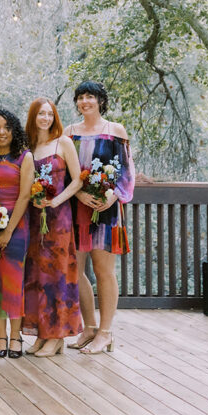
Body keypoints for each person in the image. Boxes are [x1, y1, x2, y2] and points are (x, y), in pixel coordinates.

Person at [64, 81, 134, 355]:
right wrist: (79, 196)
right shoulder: (69, 133)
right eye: (80, 97)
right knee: (76, 270)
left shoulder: (115, 131)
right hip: (76, 208)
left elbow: (126, 171)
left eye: (90, 96)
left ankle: (105, 333)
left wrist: (112, 197)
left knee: (104, 272)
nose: (85, 102)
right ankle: (89, 328)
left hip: (106, 211)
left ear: (101, 101)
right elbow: (66, 174)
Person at [22, 98, 84, 357]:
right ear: (33, 117)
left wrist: (56, 200)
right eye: (41, 114)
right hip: (35, 218)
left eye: (49, 114)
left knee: (58, 274)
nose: (45, 118)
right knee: (36, 274)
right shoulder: (29, 147)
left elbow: (78, 179)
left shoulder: (64, 143)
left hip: (59, 218)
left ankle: (57, 336)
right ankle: (41, 332)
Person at [0, 110, 33, 359]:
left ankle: (15, 336)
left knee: (13, 282)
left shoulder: (25, 157)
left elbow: (25, 195)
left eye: (6, 127)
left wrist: (9, 231)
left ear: (14, 130)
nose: (1, 132)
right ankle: (0, 336)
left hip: (16, 227)